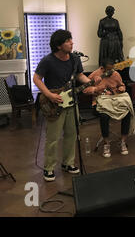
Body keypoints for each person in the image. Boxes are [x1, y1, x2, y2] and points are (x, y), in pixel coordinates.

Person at [33, 29, 96, 182]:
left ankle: (67, 163)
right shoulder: (48, 61)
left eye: (71, 39)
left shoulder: (74, 59)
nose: (71, 42)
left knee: (71, 134)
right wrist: (49, 95)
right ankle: (48, 168)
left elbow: (80, 75)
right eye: (68, 41)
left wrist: (91, 83)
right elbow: (36, 78)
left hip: (71, 101)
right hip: (54, 103)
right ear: (58, 45)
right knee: (53, 138)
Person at [83, 58, 135, 157]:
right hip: (101, 101)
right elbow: (85, 90)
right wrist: (96, 89)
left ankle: (123, 141)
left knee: (127, 112)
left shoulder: (115, 74)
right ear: (103, 69)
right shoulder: (95, 75)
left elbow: (122, 85)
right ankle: (106, 144)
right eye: (109, 70)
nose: (111, 72)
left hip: (115, 99)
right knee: (104, 116)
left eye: (112, 69)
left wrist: (121, 88)